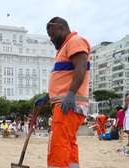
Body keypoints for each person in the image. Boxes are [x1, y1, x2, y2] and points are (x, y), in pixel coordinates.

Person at [46, 17, 91, 168]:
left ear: (61, 28)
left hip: (68, 104)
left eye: (52, 35)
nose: (51, 39)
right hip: (67, 103)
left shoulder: (75, 41)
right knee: (68, 143)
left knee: (58, 145)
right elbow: (65, 75)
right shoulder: (65, 47)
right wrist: (48, 96)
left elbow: (81, 67)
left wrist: (71, 93)